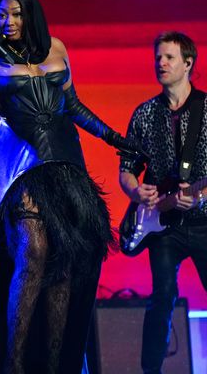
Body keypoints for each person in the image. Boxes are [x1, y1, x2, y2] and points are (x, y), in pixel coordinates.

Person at [0, 0, 138, 373]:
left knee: (63, 263)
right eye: (2, 14)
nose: (9, 21)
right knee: (33, 250)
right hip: (20, 165)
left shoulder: (56, 48)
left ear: (30, 14)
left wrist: (113, 137)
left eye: (17, 14)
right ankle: (13, 362)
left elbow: (71, 105)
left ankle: (57, 365)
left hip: (66, 163)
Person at [119, 31, 207, 374]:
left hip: (202, 223)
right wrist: (134, 191)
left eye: (169, 57)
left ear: (188, 63)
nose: (161, 63)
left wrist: (199, 197)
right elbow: (127, 169)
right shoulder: (144, 114)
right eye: (158, 57)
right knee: (162, 297)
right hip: (162, 226)